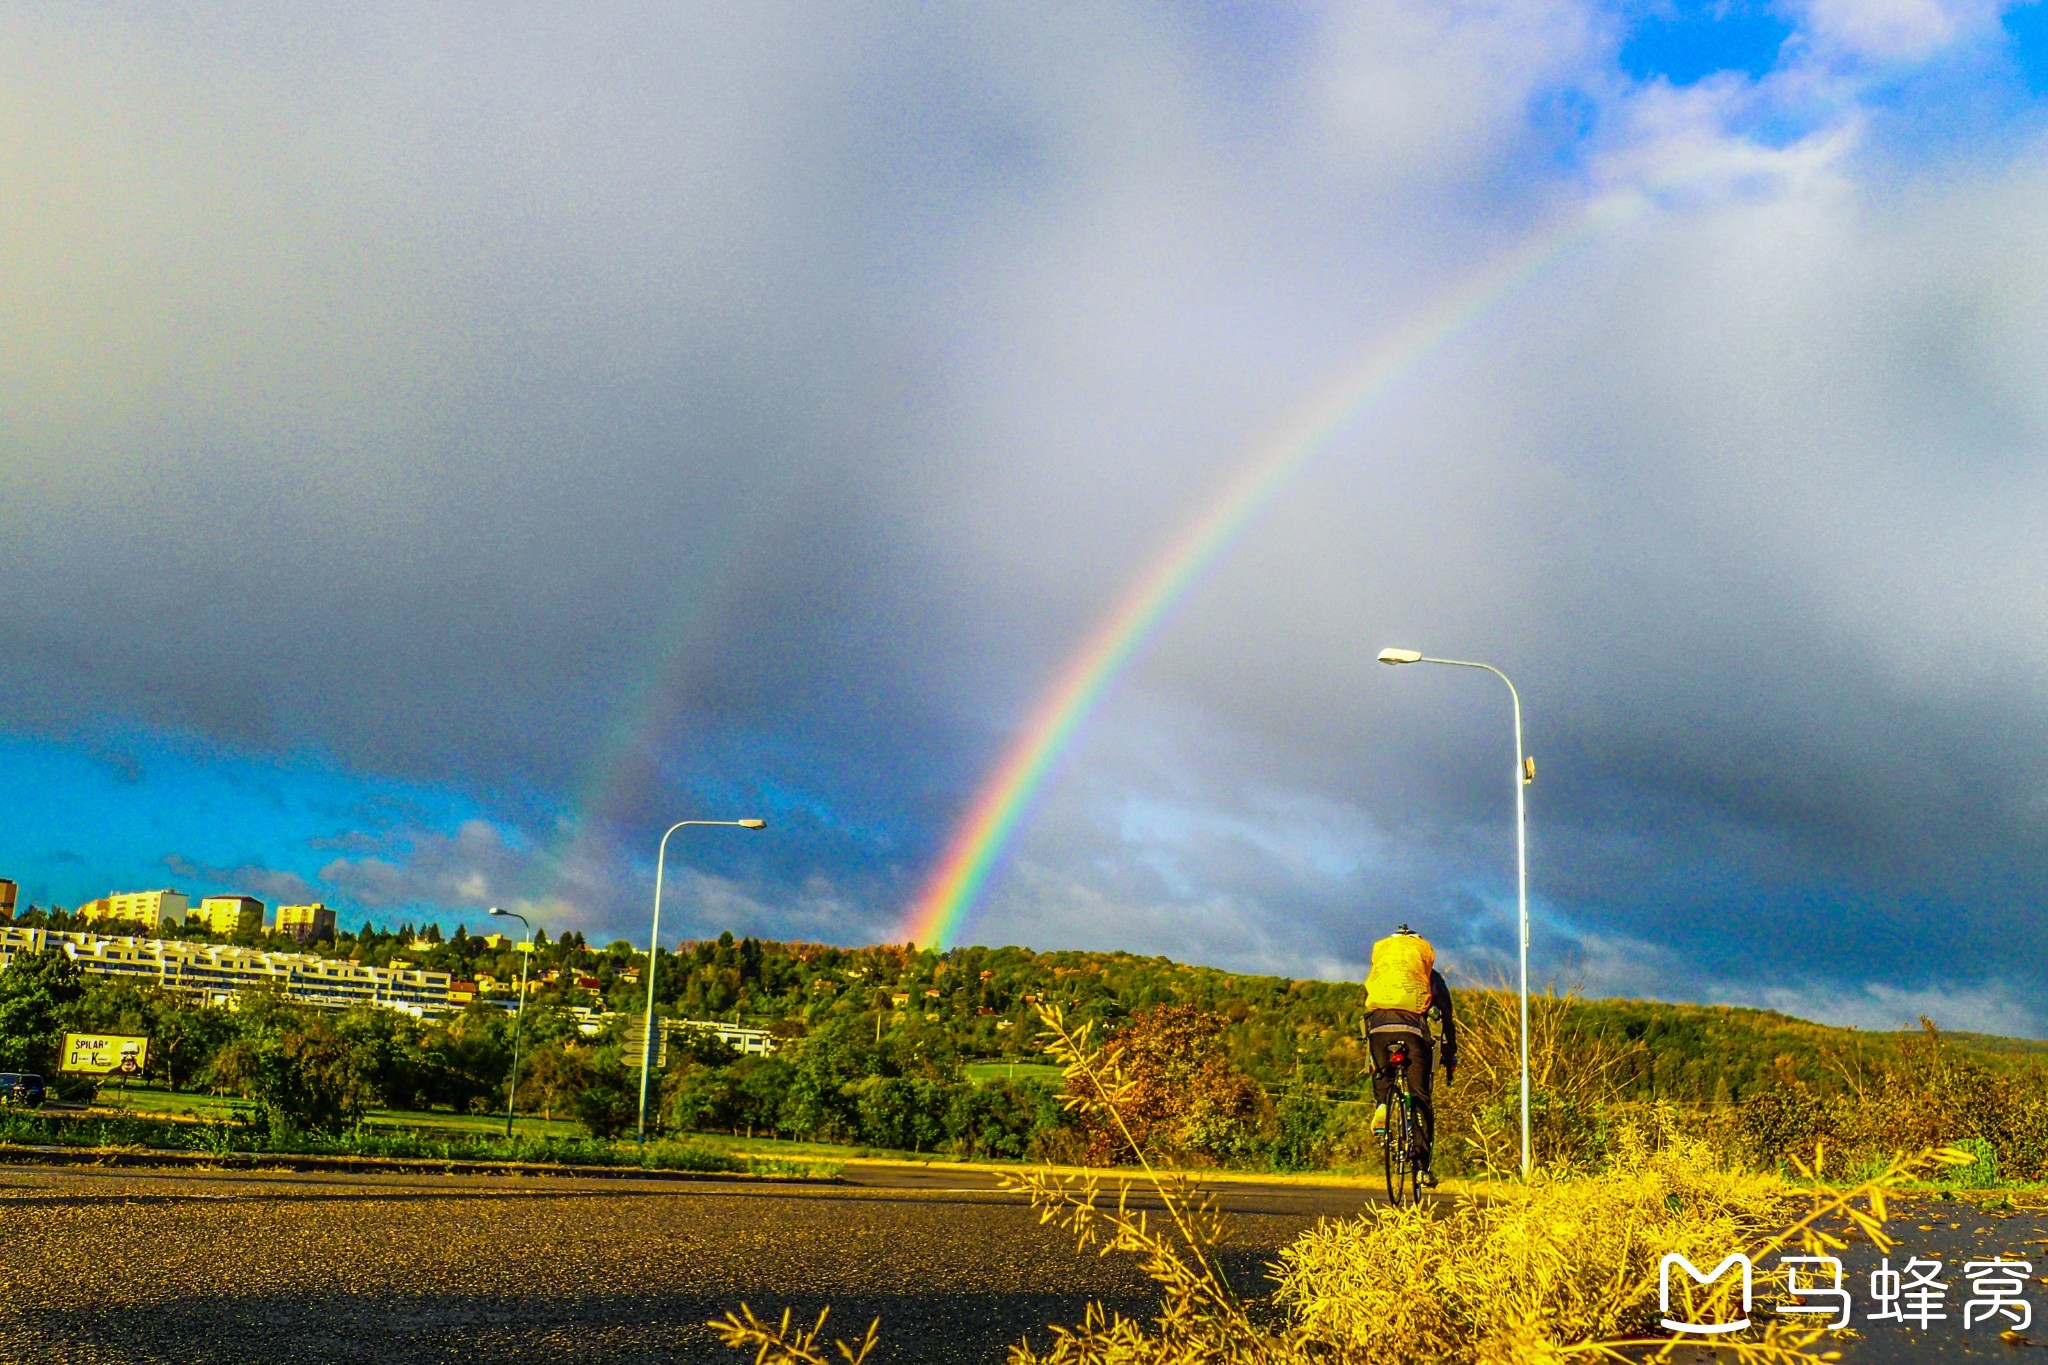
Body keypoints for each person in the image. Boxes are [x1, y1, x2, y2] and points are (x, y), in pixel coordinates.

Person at [1365, 923, 1457, 1184]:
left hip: (1378, 1029)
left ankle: (1383, 1104)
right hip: (1412, 1031)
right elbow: (1447, 1016)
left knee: (1383, 1072)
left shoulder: (1380, 974)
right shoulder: (1429, 976)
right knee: (1420, 1097)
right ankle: (1422, 1167)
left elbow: (1367, 1006)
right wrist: (1450, 1054)